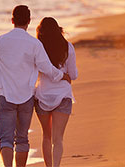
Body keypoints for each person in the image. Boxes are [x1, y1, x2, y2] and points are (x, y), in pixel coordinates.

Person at [0, 5, 70, 167]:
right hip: (26, 97)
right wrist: (62, 76)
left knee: (6, 139)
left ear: (12, 20)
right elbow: (46, 67)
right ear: (29, 21)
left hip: (4, 94)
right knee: (22, 138)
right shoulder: (34, 44)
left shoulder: (0, 41)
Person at [34, 17, 78, 167]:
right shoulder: (67, 47)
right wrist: (63, 74)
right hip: (63, 96)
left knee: (46, 136)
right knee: (58, 138)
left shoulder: (38, 48)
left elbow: (35, 72)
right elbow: (74, 75)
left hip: (42, 96)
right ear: (58, 29)